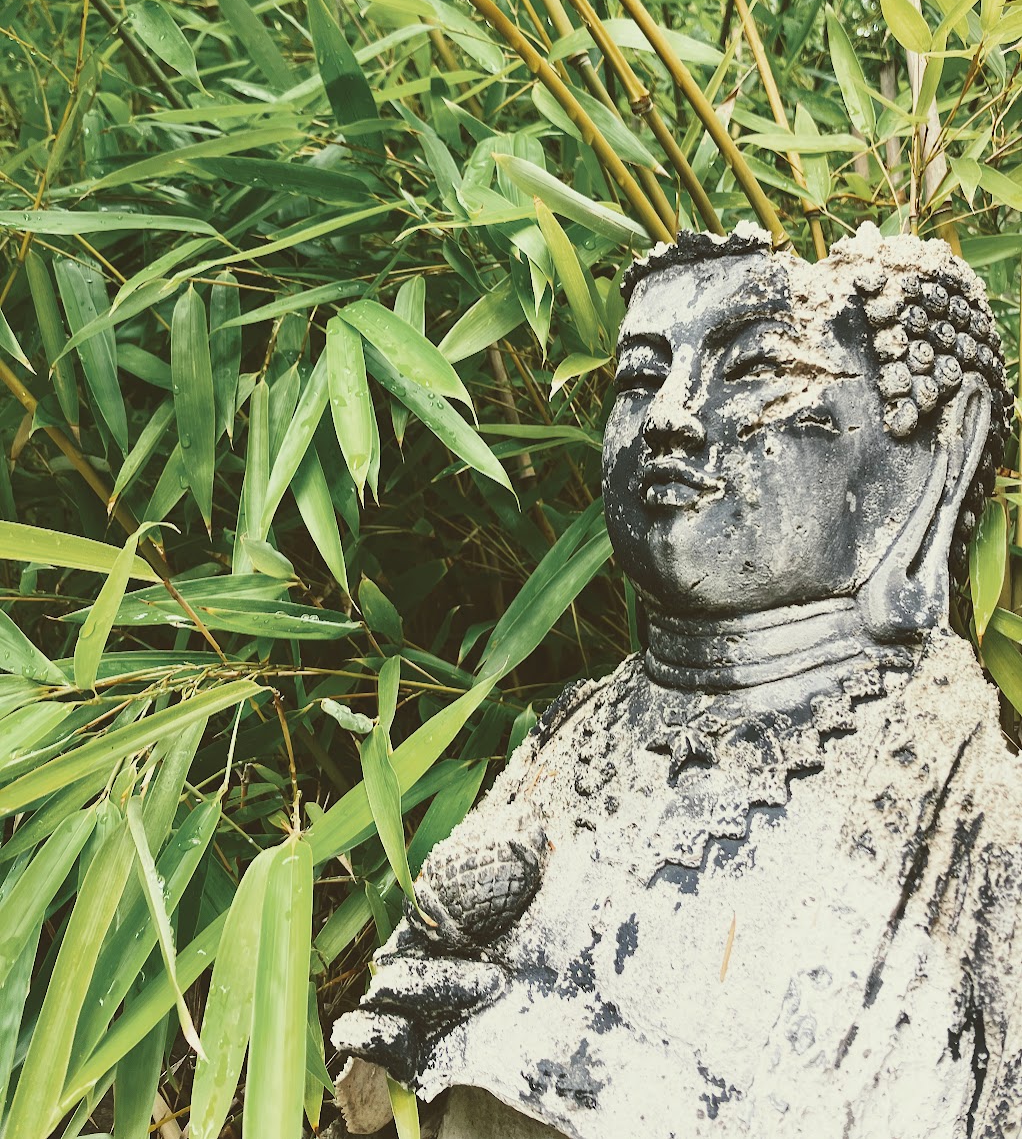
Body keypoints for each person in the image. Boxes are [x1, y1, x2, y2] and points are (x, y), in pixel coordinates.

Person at [333, 224, 1022, 1139]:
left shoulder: (950, 799)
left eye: (752, 370)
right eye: (639, 379)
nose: (668, 414)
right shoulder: (578, 731)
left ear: (936, 447)